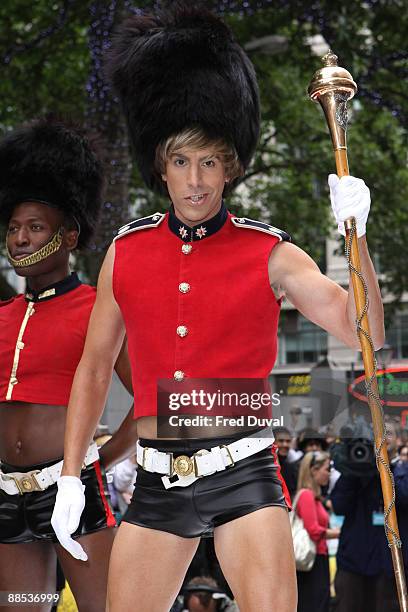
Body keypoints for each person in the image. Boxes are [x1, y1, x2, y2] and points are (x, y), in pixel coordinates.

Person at [50, 4, 384, 611]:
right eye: (181, 161)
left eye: (209, 162)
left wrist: (357, 239)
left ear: (229, 167)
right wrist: (72, 472)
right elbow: (94, 370)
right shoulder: (125, 253)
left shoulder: (270, 252)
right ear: (161, 165)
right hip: (154, 480)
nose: (196, 180)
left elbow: (367, 334)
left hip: (244, 475)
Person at [0, 118, 136, 612]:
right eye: (13, 228)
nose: (19, 238)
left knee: (107, 608)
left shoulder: (98, 307)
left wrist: (98, 460)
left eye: (34, 227)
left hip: (73, 495)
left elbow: (154, 402)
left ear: (69, 236)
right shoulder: (2, 316)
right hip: (8, 497)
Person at [331, 421, 408, 612]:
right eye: (376, 434)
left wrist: (381, 469)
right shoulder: (356, 471)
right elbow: (339, 506)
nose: (381, 438)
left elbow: (403, 497)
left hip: (390, 566)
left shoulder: (402, 472)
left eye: (387, 433)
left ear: (399, 441)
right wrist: (352, 471)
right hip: (353, 564)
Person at [294, 452, 340, 612]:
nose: (329, 473)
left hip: (318, 558)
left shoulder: (314, 496)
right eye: (327, 469)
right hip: (312, 561)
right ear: (314, 470)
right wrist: (338, 532)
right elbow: (313, 530)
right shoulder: (306, 495)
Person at [273, 426, 298, 498]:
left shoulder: (293, 468)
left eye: (288, 441)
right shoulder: (265, 466)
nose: (285, 445)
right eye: (281, 441)